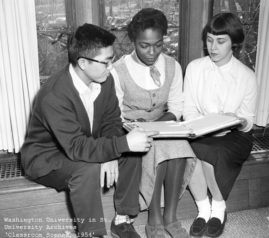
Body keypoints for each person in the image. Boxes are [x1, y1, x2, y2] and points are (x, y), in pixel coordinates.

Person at [21, 23, 157, 238]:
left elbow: (112, 121)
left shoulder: (105, 79)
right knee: (87, 168)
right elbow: (76, 148)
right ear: (83, 63)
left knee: (131, 151)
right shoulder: (53, 96)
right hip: (47, 158)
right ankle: (92, 234)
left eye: (111, 60)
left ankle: (123, 219)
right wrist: (118, 146)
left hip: (82, 144)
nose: (111, 67)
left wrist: (113, 153)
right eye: (106, 62)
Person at [110, 8, 196, 238]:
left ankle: (171, 216)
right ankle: (154, 218)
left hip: (162, 123)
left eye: (158, 45)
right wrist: (136, 126)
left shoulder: (172, 66)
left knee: (179, 147)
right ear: (133, 42)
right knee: (156, 146)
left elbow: (176, 108)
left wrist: (158, 123)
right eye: (144, 45)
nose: (151, 52)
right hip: (129, 128)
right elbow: (114, 113)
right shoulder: (118, 70)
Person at [183, 12, 257, 237]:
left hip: (235, 135)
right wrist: (203, 127)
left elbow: (249, 120)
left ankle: (218, 208)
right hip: (200, 130)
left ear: (234, 43)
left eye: (221, 41)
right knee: (190, 148)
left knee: (209, 151)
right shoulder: (195, 68)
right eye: (209, 40)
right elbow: (189, 110)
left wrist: (238, 120)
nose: (213, 47)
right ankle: (205, 209)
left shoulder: (246, 76)